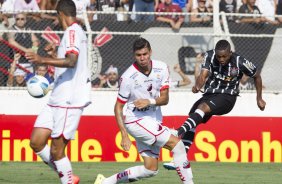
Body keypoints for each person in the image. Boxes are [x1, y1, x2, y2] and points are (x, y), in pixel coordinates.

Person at [94, 38, 194, 184]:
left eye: (145, 54)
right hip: (135, 120)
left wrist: (149, 101)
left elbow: (165, 99)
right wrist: (124, 134)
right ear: (134, 55)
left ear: (150, 52)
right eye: (138, 55)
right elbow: (118, 107)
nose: (142, 58)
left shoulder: (161, 68)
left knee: (150, 169)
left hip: (153, 119)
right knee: (177, 145)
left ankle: (105, 182)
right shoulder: (128, 77)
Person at [163, 39, 266, 170]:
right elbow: (203, 74)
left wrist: (259, 98)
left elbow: (257, 76)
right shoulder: (209, 56)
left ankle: (177, 132)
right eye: (219, 56)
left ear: (230, 53)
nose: (221, 59)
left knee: (201, 108)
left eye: (224, 56)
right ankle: (179, 160)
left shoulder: (240, 61)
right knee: (193, 119)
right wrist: (198, 85)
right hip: (210, 95)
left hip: (227, 97)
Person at [26, 0, 91, 183]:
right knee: (37, 142)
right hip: (57, 97)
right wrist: (55, 56)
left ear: (60, 14)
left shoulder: (72, 32)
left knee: (57, 150)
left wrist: (42, 59)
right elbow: (70, 64)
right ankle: (68, 174)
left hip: (69, 99)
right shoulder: (74, 32)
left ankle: (68, 179)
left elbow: (71, 61)